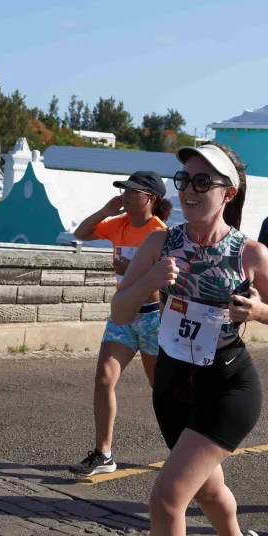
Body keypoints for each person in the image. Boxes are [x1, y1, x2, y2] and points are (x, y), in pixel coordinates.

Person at [112, 142, 268, 536]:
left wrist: (257, 311)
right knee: (207, 489)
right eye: (185, 181)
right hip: (173, 383)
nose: (189, 190)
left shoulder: (248, 253)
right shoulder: (160, 243)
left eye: (202, 181)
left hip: (227, 387)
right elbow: (120, 312)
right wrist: (150, 284)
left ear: (228, 193)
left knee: (167, 498)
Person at [68, 171, 173, 478]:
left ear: (150, 199)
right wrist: (106, 210)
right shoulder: (120, 225)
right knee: (103, 378)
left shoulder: (160, 233)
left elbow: (166, 285)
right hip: (123, 316)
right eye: (123, 191)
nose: (125, 196)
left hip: (153, 316)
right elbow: (82, 233)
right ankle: (104, 454)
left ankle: (183, 454)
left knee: (162, 392)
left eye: (131, 192)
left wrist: (130, 271)